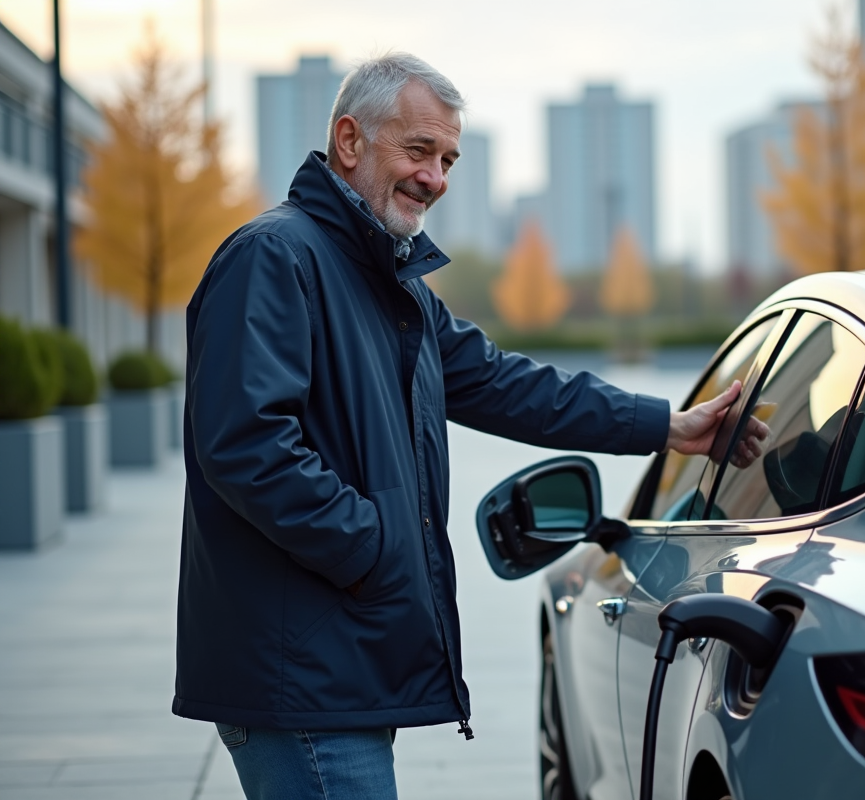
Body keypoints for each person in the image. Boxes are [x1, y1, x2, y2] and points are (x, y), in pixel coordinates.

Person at [173, 53, 765, 799]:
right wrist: (371, 544)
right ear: (350, 141)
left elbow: (505, 383)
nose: (436, 178)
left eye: (448, 158)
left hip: (335, 657)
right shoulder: (275, 257)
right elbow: (246, 446)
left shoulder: (390, 283)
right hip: (301, 670)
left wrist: (667, 426)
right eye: (419, 151)